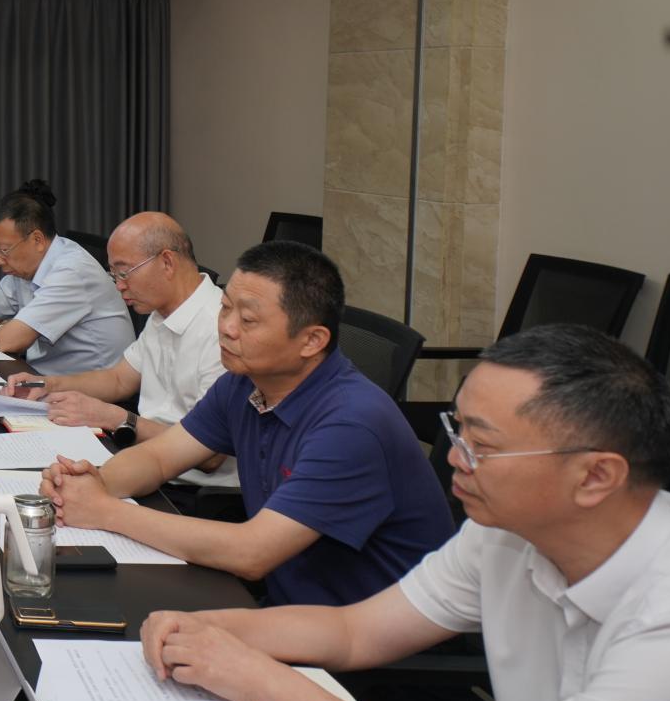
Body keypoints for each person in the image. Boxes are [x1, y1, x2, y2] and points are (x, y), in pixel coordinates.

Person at [139, 325, 670, 701]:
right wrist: (205, 628)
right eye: (456, 429)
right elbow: (354, 631)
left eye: (482, 446)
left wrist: (263, 679)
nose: (454, 460)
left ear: (595, 476)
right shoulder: (504, 533)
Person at [39, 241, 451, 604]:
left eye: (248, 320)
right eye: (225, 308)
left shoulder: (351, 425)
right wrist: (93, 483)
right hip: (290, 606)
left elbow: (252, 553)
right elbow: (160, 458)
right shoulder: (243, 382)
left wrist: (105, 511)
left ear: (312, 341)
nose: (226, 328)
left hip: (372, 637)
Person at [2, 212, 235, 489]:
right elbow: (119, 379)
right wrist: (46, 385)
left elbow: (210, 455)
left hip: (191, 490)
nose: (119, 285)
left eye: (124, 272)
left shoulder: (222, 329)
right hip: (146, 463)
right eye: (114, 274)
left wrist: (114, 418)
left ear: (167, 262)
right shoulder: (163, 312)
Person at [0, 179, 134, 374]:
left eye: (3, 250)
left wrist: (6, 327)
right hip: (47, 377)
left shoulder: (71, 272)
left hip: (94, 389)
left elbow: (9, 342)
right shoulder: (28, 267)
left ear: (37, 240)